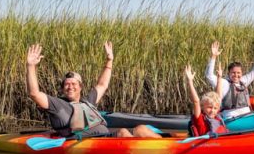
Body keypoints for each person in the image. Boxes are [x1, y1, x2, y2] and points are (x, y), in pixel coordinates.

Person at [26, 42, 161, 138]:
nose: (70, 86)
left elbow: (102, 85)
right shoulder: (57, 104)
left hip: (105, 136)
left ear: (80, 87)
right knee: (123, 132)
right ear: (62, 88)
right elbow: (34, 93)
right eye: (67, 84)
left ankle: (165, 149)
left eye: (74, 84)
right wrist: (30, 66)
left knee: (141, 129)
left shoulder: (88, 101)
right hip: (86, 141)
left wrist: (109, 60)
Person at [205, 40, 254, 119]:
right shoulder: (224, 83)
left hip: (247, 115)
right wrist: (213, 56)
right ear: (229, 73)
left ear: (241, 73)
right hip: (231, 117)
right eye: (233, 73)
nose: (236, 75)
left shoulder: (243, 81)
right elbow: (209, 75)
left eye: (238, 73)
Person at [184, 63, 227, 136]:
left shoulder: (216, 116)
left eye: (215, 108)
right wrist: (190, 81)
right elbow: (196, 101)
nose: (212, 110)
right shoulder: (199, 118)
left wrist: (219, 78)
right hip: (206, 144)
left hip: (220, 140)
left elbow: (218, 97)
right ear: (203, 107)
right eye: (209, 107)